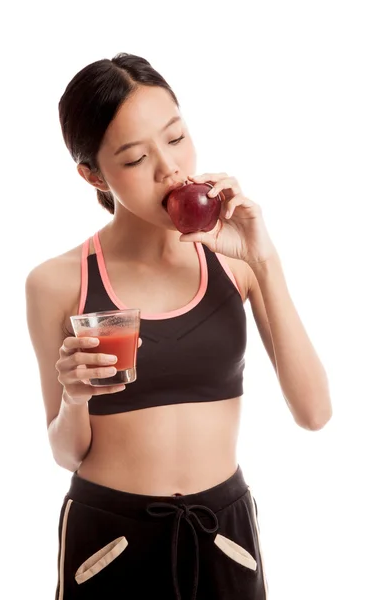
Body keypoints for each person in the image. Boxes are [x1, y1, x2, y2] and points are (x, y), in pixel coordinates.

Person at [25, 52, 332, 600]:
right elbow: (68, 453)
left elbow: (314, 413)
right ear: (92, 174)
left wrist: (264, 261)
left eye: (176, 137)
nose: (170, 169)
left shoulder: (235, 261)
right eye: (136, 157)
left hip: (223, 535)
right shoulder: (58, 282)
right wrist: (74, 398)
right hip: (109, 540)